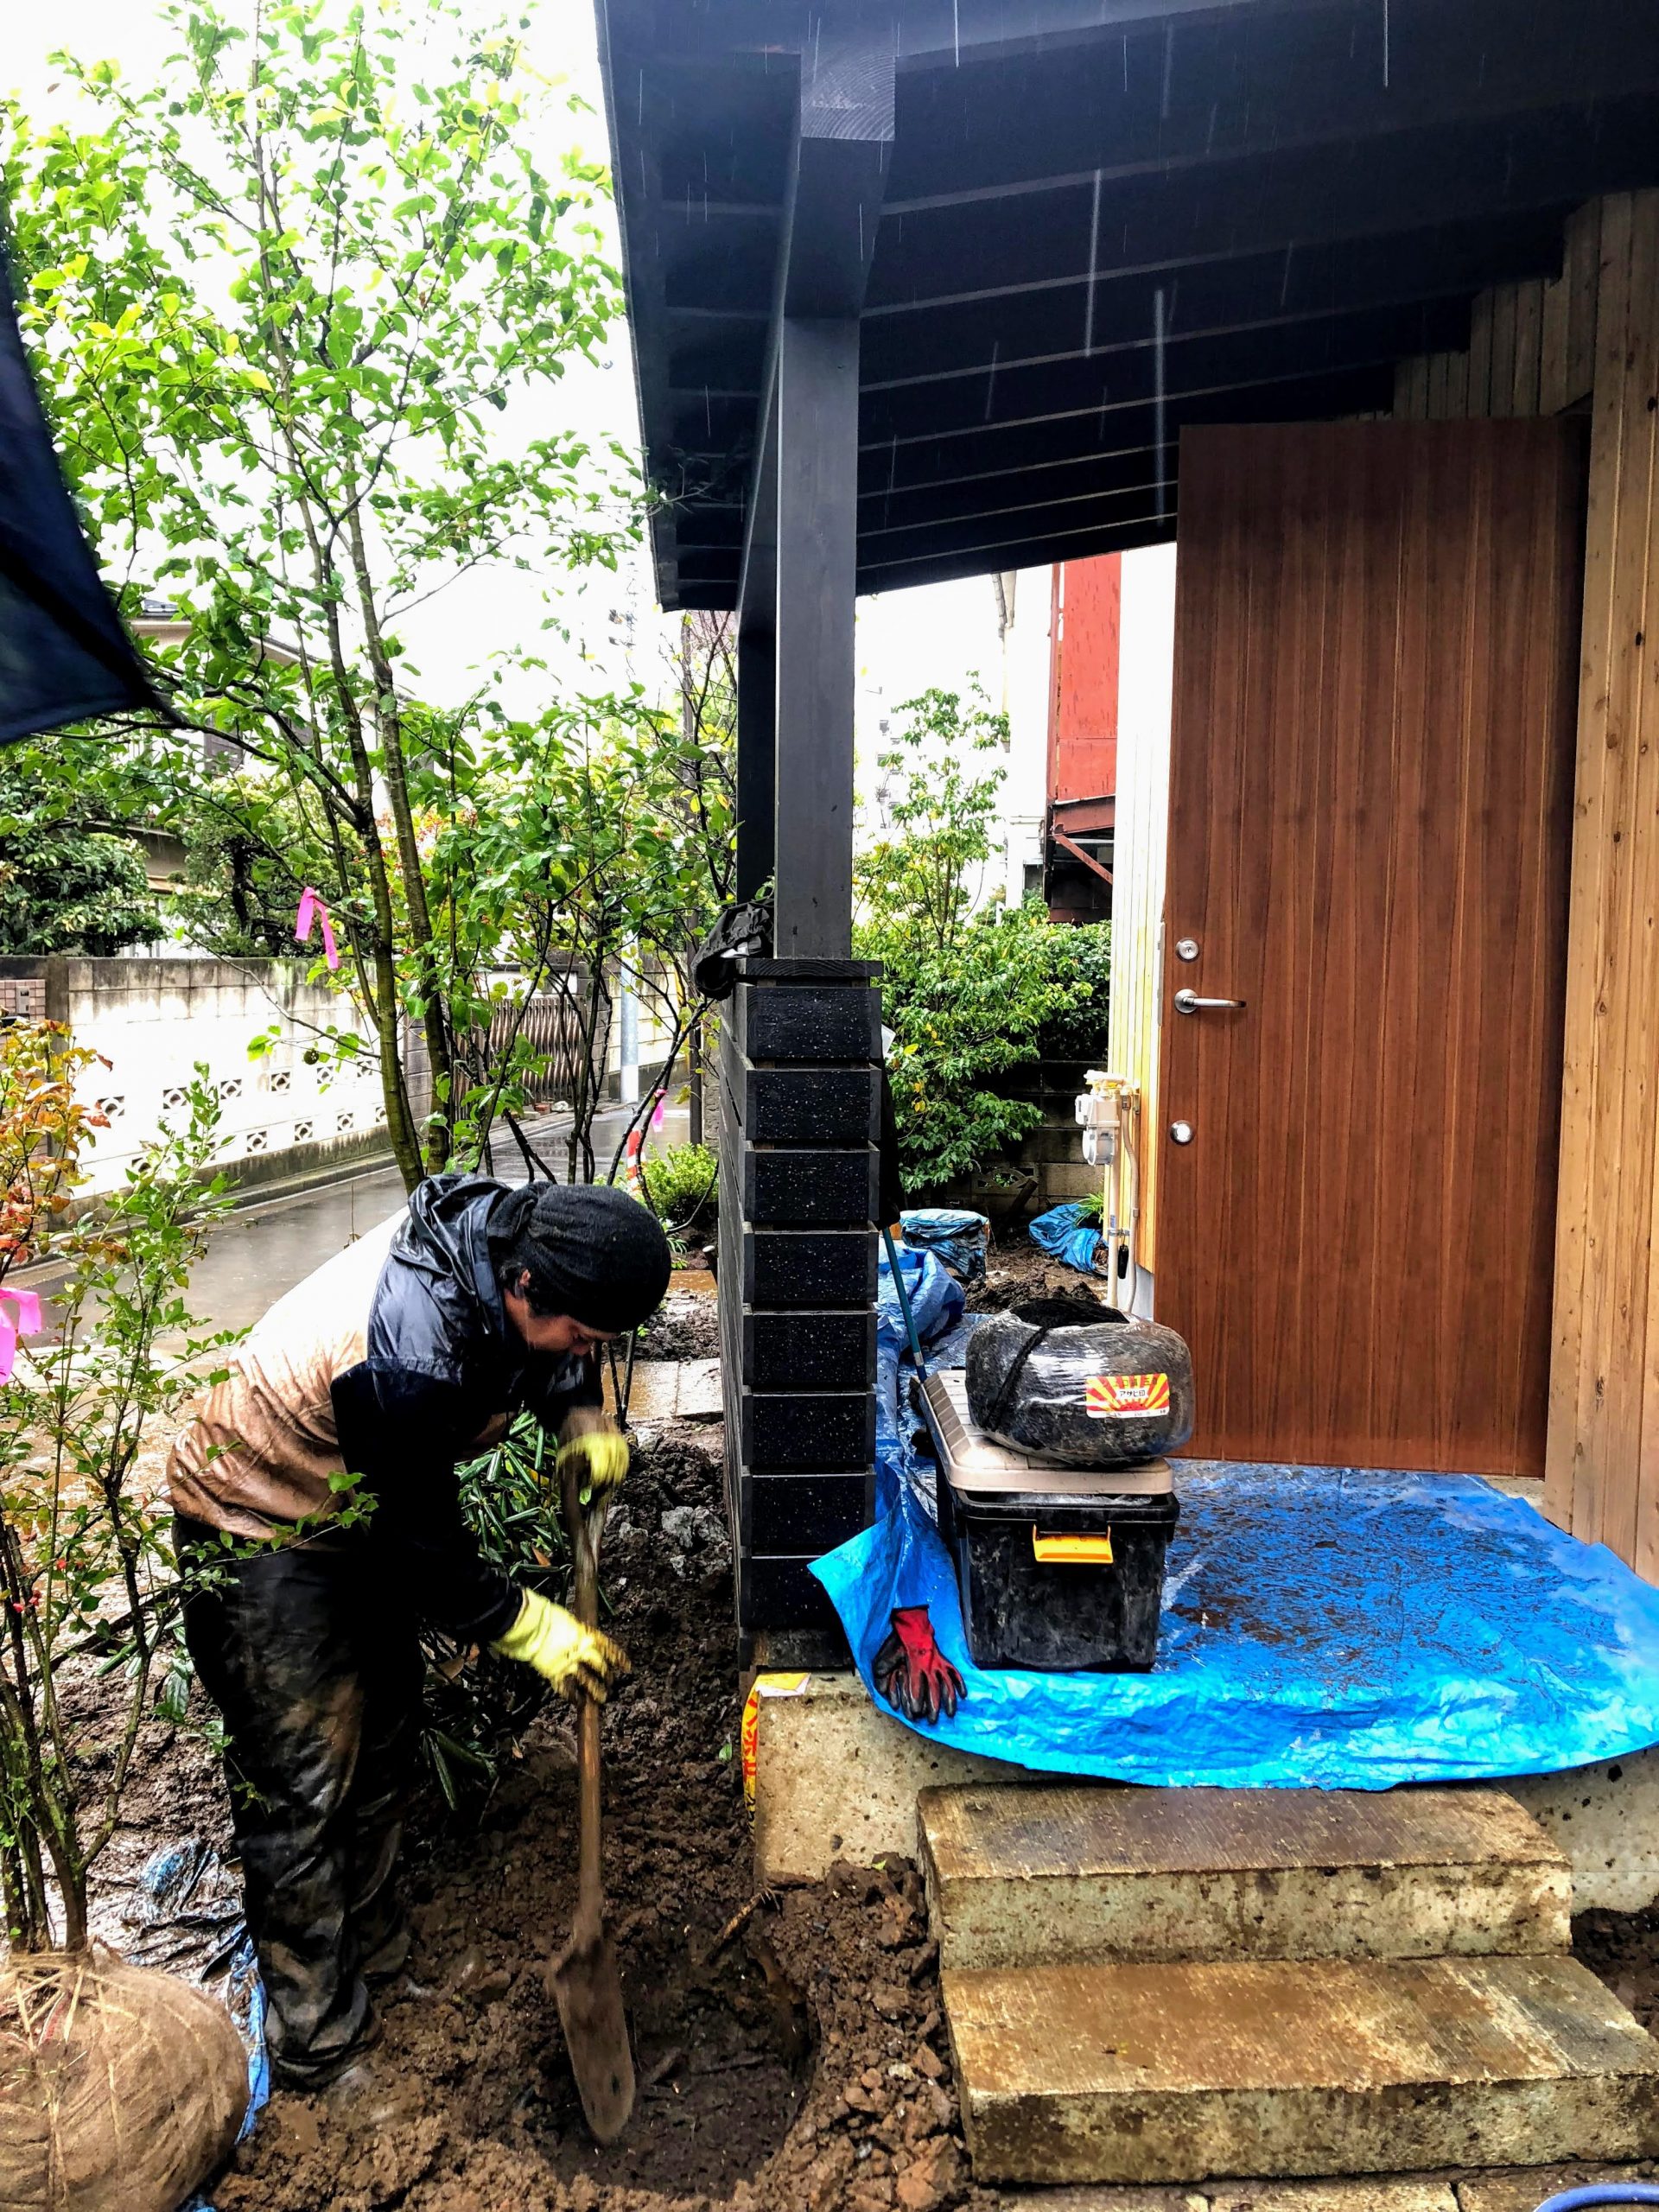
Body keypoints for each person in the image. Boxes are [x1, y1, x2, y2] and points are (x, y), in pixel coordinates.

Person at [167, 1173, 672, 2092]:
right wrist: (532, 1628)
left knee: (391, 1733)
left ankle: (380, 1955)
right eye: (582, 1334)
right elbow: (423, 1550)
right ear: (524, 1290)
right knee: (303, 1779)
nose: (587, 1349)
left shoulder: (527, 1245)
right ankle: (318, 2043)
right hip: (258, 1520)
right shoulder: (408, 1357)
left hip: (356, 1502)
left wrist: (577, 1414)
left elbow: (553, 1349)